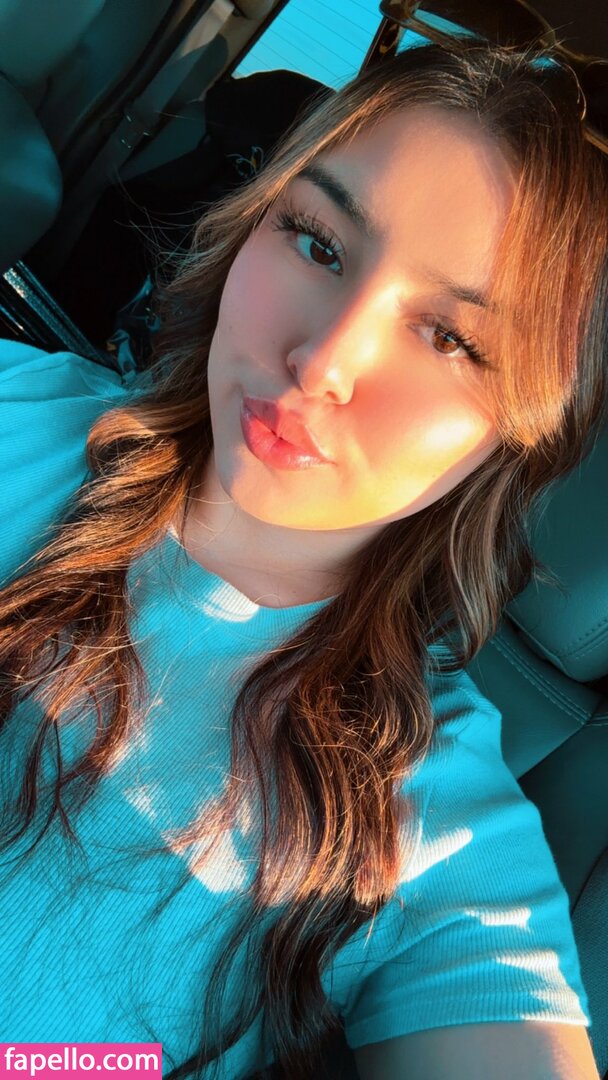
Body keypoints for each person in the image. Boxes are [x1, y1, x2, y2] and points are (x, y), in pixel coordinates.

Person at [0, 39, 606, 1080]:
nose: (321, 362)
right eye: (318, 243)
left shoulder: (435, 832)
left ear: (518, 431)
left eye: (449, 338)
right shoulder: (19, 411)